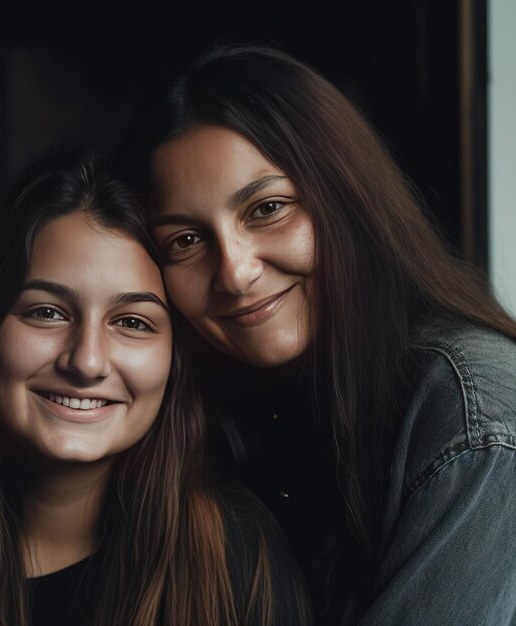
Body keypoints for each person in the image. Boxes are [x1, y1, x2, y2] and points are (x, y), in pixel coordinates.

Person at [132, 43, 516, 624]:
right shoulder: (236, 416)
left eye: (267, 209)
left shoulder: (469, 403)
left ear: (346, 200)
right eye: (185, 241)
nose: (235, 273)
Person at [0, 150, 310, 626]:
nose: (86, 361)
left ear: (175, 361)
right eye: (47, 312)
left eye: (132, 322)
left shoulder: (235, 555)